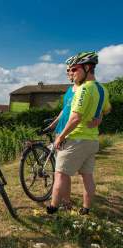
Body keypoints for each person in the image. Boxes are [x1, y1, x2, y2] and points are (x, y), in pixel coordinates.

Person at [47, 51, 111, 215]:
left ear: (88, 68)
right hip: (92, 140)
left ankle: (53, 208)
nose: (72, 73)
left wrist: (60, 137)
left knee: (60, 174)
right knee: (87, 176)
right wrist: (99, 117)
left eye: (75, 69)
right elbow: (107, 109)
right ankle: (86, 209)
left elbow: (75, 118)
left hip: (76, 139)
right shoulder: (102, 89)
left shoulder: (83, 89)